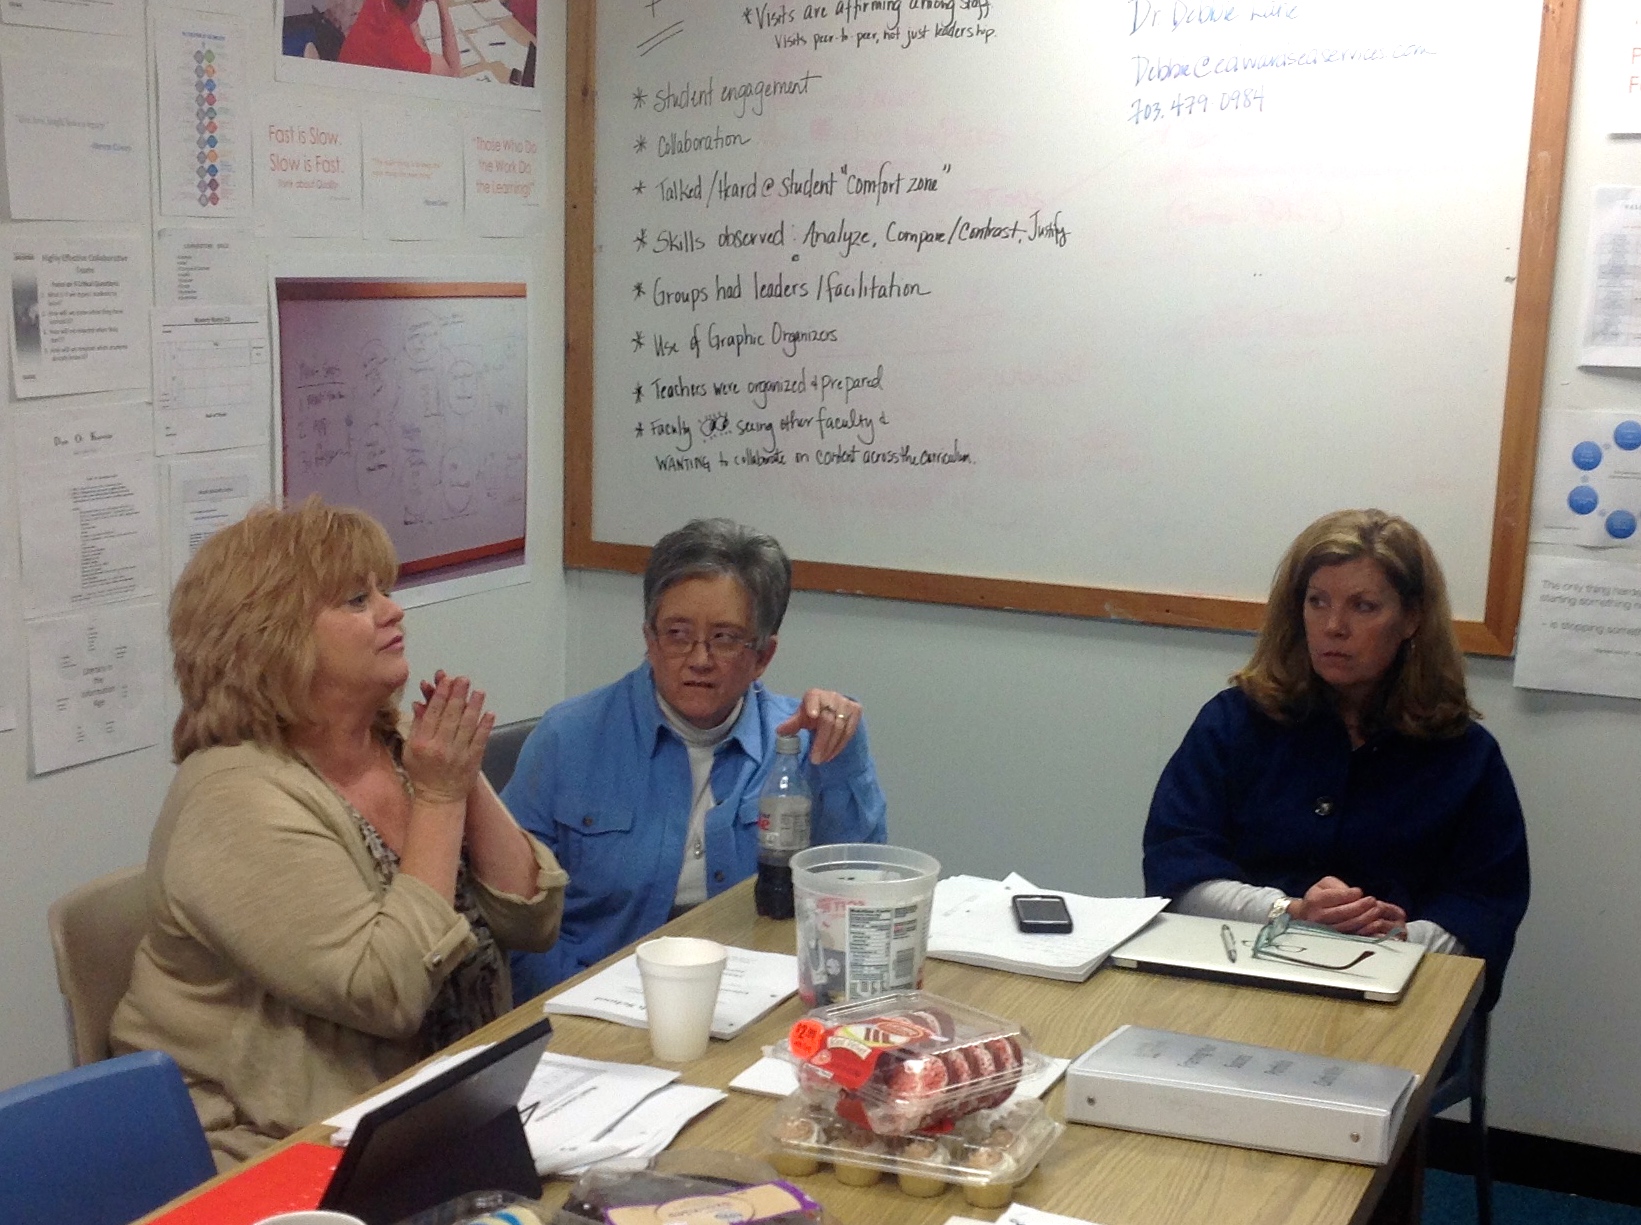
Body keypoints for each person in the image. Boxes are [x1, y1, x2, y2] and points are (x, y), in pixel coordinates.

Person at [110, 499, 567, 1168]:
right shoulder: (232, 799)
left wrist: (460, 776)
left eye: (384, 590)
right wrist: (441, 795)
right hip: (271, 1148)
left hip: (439, 1109)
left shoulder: (397, 740)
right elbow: (386, 992)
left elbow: (534, 919)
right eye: (357, 600)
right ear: (273, 639)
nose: (392, 611)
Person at [1142, 508, 1529, 1008]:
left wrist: (1400, 938)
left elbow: (1484, 907)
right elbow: (1176, 871)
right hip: (1233, 983)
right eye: (1317, 601)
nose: (1334, 626)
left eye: (1363, 606)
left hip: (1396, 999)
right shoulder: (1234, 722)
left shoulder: (1465, 755)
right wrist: (1289, 912)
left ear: (1411, 618)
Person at [503, 517, 888, 1001]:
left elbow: (858, 895)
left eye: (724, 638)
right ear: (650, 639)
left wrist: (841, 757)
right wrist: (570, 1002)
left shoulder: (803, 742)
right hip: (594, 1000)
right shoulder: (567, 739)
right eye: (677, 634)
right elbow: (509, 916)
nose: (699, 659)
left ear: (763, 656)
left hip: (759, 1000)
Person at [338, 0, 461, 75]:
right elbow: (453, 71)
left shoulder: (385, 5)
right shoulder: (396, 43)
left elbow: (411, 20)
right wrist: (443, 6)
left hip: (349, 71)